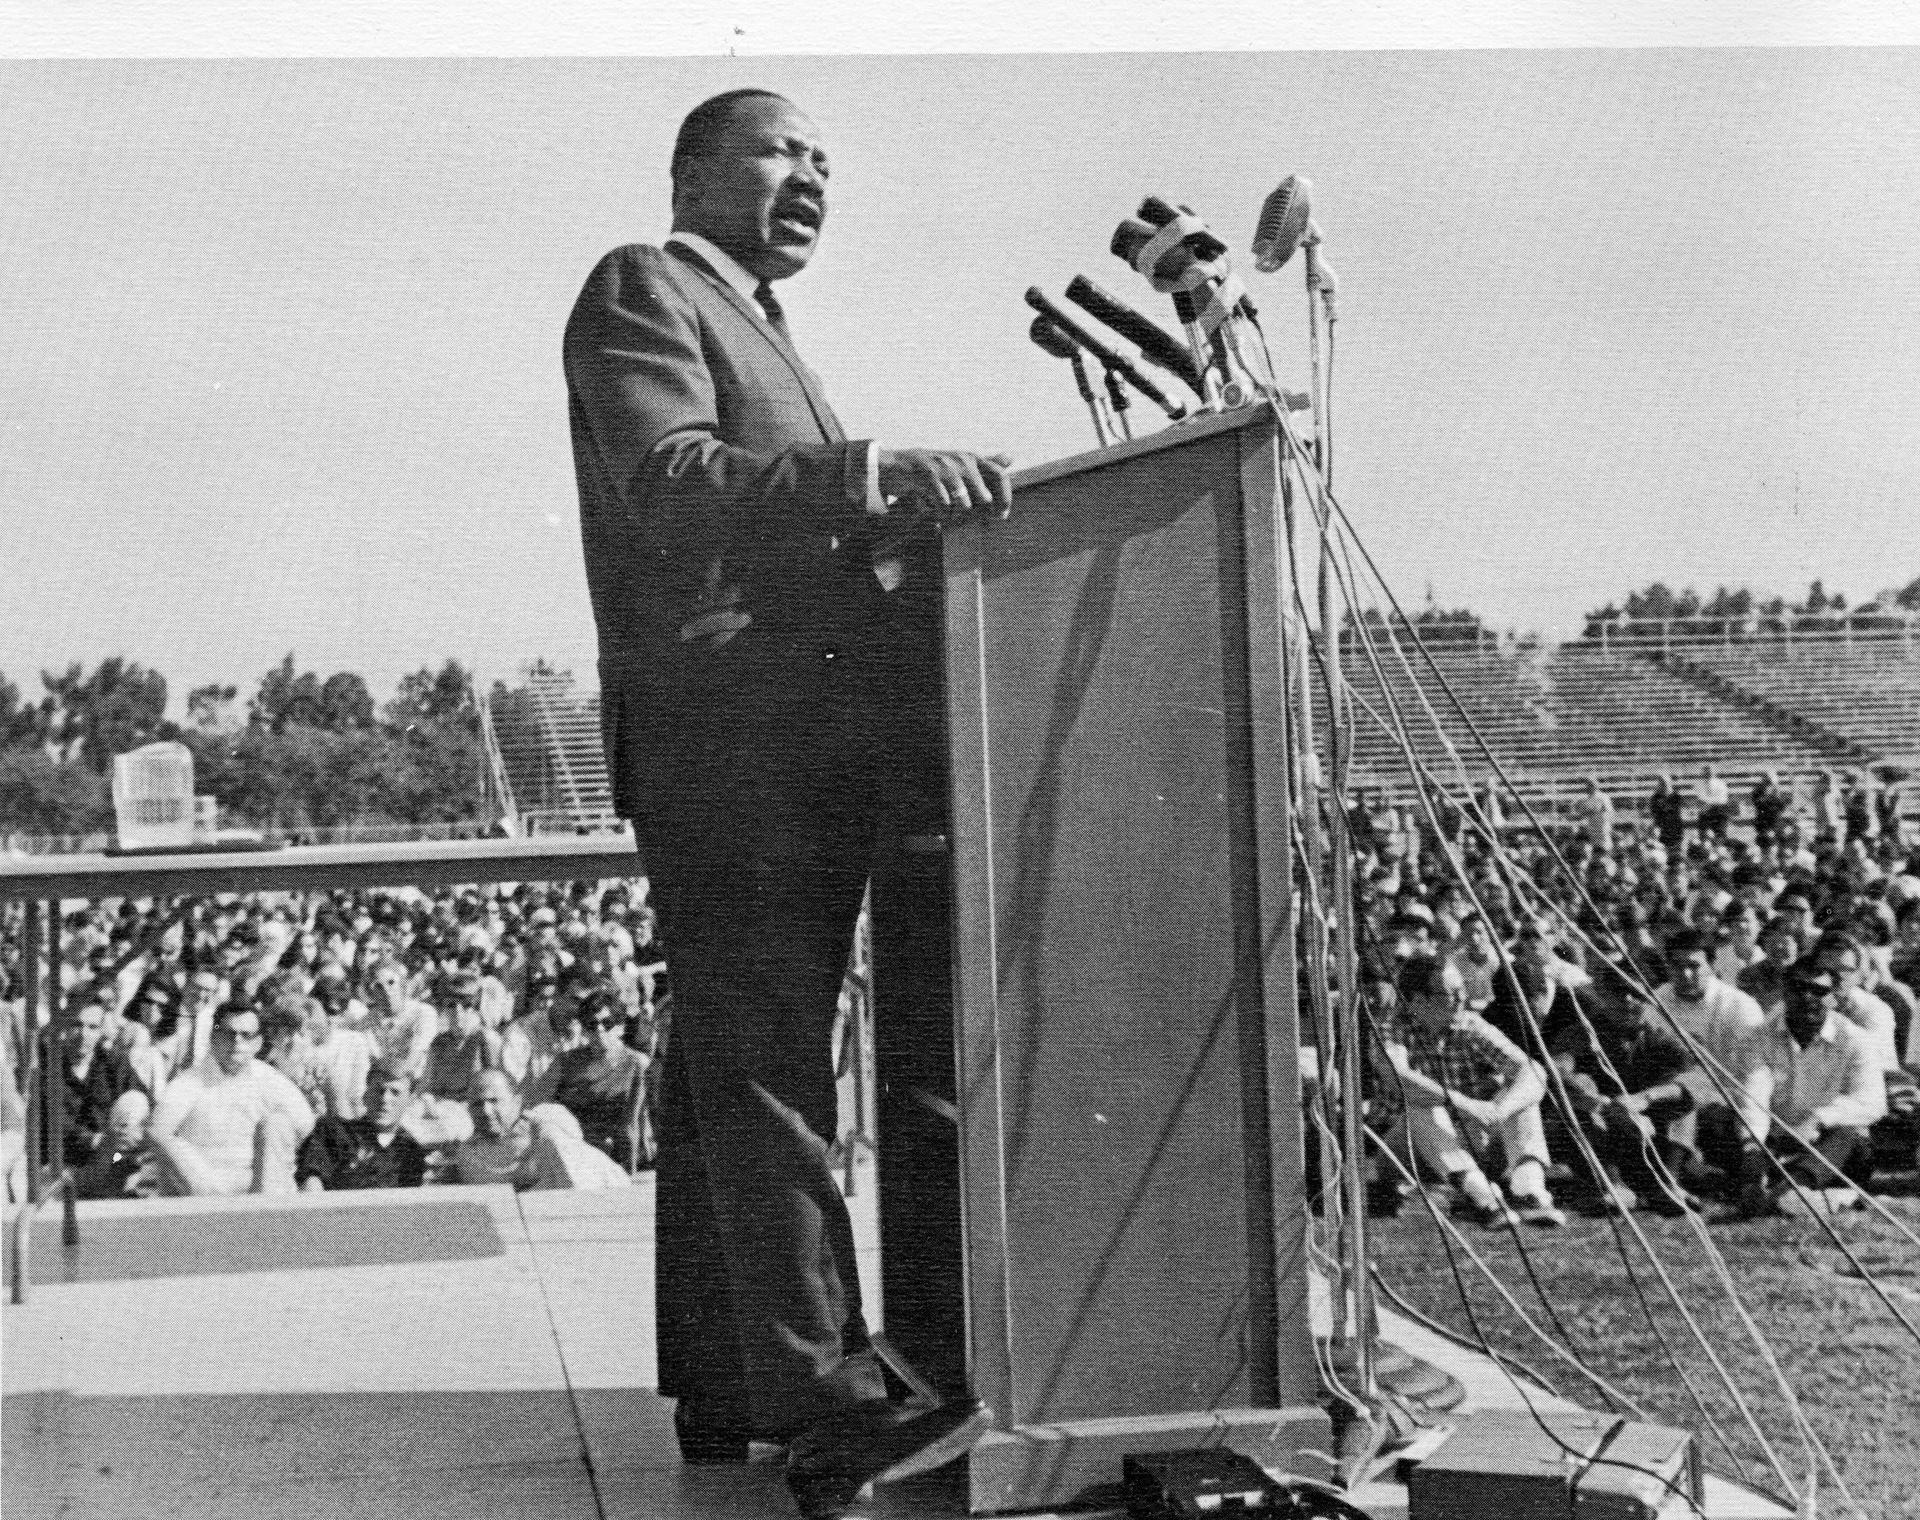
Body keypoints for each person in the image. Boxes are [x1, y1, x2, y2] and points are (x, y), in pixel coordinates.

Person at [563, 88, 1005, 1505]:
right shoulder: (646, 286)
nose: (810, 175)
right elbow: (676, 479)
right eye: (778, 151)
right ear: (692, 171)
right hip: (728, 744)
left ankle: (729, 1387)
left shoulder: (766, 325)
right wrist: (873, 474)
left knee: (730, 1075)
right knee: (765, 1073)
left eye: (825, 158)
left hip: (792, 740)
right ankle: (831, 1405)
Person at [1374, 956, 1567, 1228]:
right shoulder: (1390, 1029)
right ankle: (1482, 1196)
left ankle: (1530, 1190)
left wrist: (1500, 1109)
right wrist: (1466, 1104)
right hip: (1410, 1147)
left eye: (1462, 989)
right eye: (1451, 994)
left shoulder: (1470, 1024)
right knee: (1418, 1102)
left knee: (1521, 1090)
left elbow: (1533, 1071)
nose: (1462, 998)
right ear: (1418, 1001)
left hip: (1477, 1135)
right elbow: (1400, 1078)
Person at [1728, 968, 1886, 1217]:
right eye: (1798, 989)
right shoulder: (1758, 1038)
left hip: (1827, 1143)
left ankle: (1787, 1189)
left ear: (1833, 997)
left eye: (1819, 991)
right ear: (1784, 993)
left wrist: (1817, 1118)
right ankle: (1774, 1187)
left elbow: (1872, 1102)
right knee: (1717, 1119)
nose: (1808, 998)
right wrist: (1753, 1146)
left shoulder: (1856, 1039)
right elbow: (1752, 1095)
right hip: (1773, 1140)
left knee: (1851, 1136)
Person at [149, 1002, 316, 1195]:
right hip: (204, 1186)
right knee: (165, 1139)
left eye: (246, 1035)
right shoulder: (189, 1083)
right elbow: (157, 1131)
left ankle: (268, 1216)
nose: (237, 1042)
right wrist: (200, 1182)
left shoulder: (271, 1081)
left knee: (278, 1123)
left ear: (258, 1043)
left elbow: (304, 1126)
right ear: (213, 1037)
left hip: (259, 1184)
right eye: (229, 1034)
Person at [532, 983, 647, 1171]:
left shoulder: (635, 1064)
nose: (600, 1030)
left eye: (607, 1023)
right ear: (584, 1030)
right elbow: (538, 1107)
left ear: (620, 1027)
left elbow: (631, 1125)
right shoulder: (565, 1062)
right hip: (570, 1149)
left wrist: (629, 1176)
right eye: (592, 1025)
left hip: (612, 1154)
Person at [296, 1060, 429, 1191]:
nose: (385, 1099)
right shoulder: (333, 1133)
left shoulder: (410, 1152)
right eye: (379, 1090)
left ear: (410, 1100)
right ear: (365, 1096)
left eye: (395, 1092)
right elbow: (311, 1184)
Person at [72, 1089, 159, 1201]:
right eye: (118, 1124)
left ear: (145, 1125)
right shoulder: (110, 1153)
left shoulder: (150, 1160)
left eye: (125, 1125)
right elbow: (87, 1181)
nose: (121, 1131)